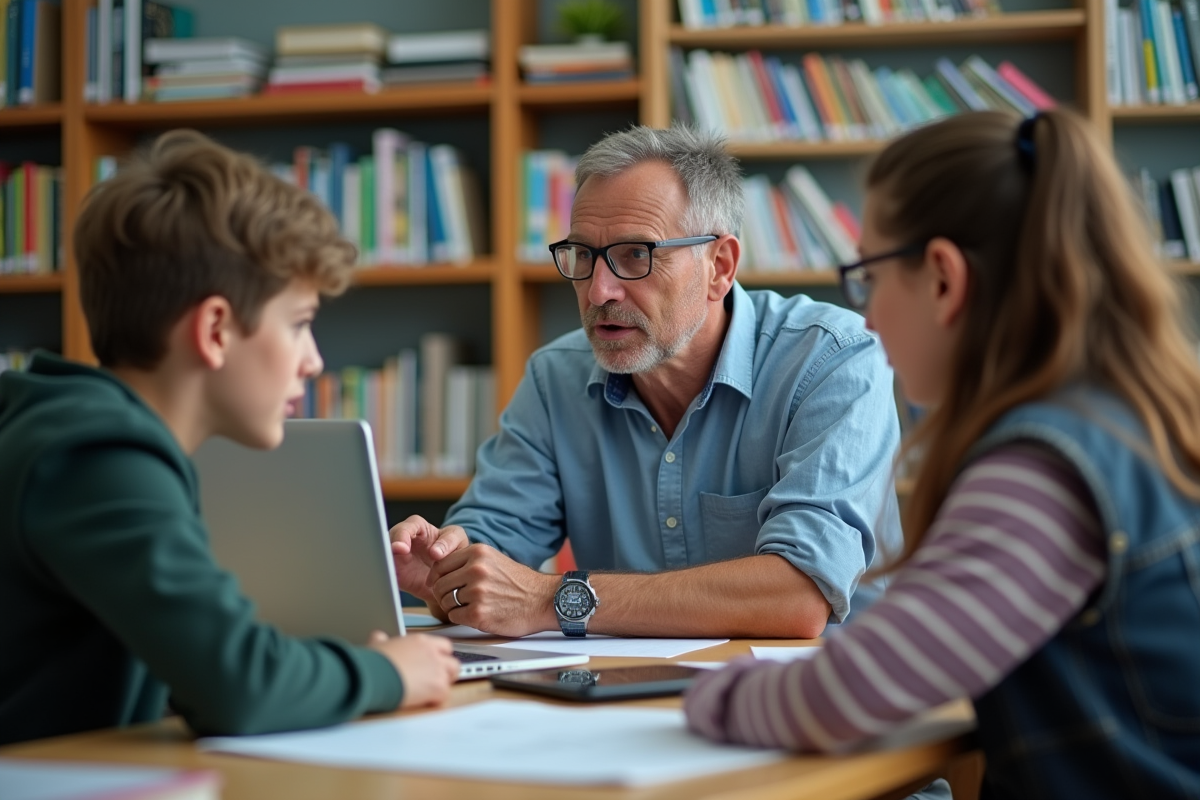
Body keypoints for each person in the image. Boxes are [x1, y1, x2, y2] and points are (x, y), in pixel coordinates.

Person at [683, 108, 1200, 798]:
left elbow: (851, 692)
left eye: (868, 276)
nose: (866, 316)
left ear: (944, 279)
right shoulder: (1132, 419)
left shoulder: (1041, 472)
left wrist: (701, 696)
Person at [0, 130, 459, 746]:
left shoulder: (72, 427)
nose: (314, 361)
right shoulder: (98, 457)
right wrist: (389, 673)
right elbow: (239, 685)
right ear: (215, 330)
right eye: (298, 324)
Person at [391, 124, 903, 639]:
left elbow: (798, 596)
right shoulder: (555, 377)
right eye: (583, 255)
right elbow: (492, 554)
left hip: (827, 680)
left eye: (636, 254)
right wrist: (446, 569)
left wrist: (552, 598)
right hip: (630, 682)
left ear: (719, 267)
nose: (599, 291)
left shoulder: (833, 359)